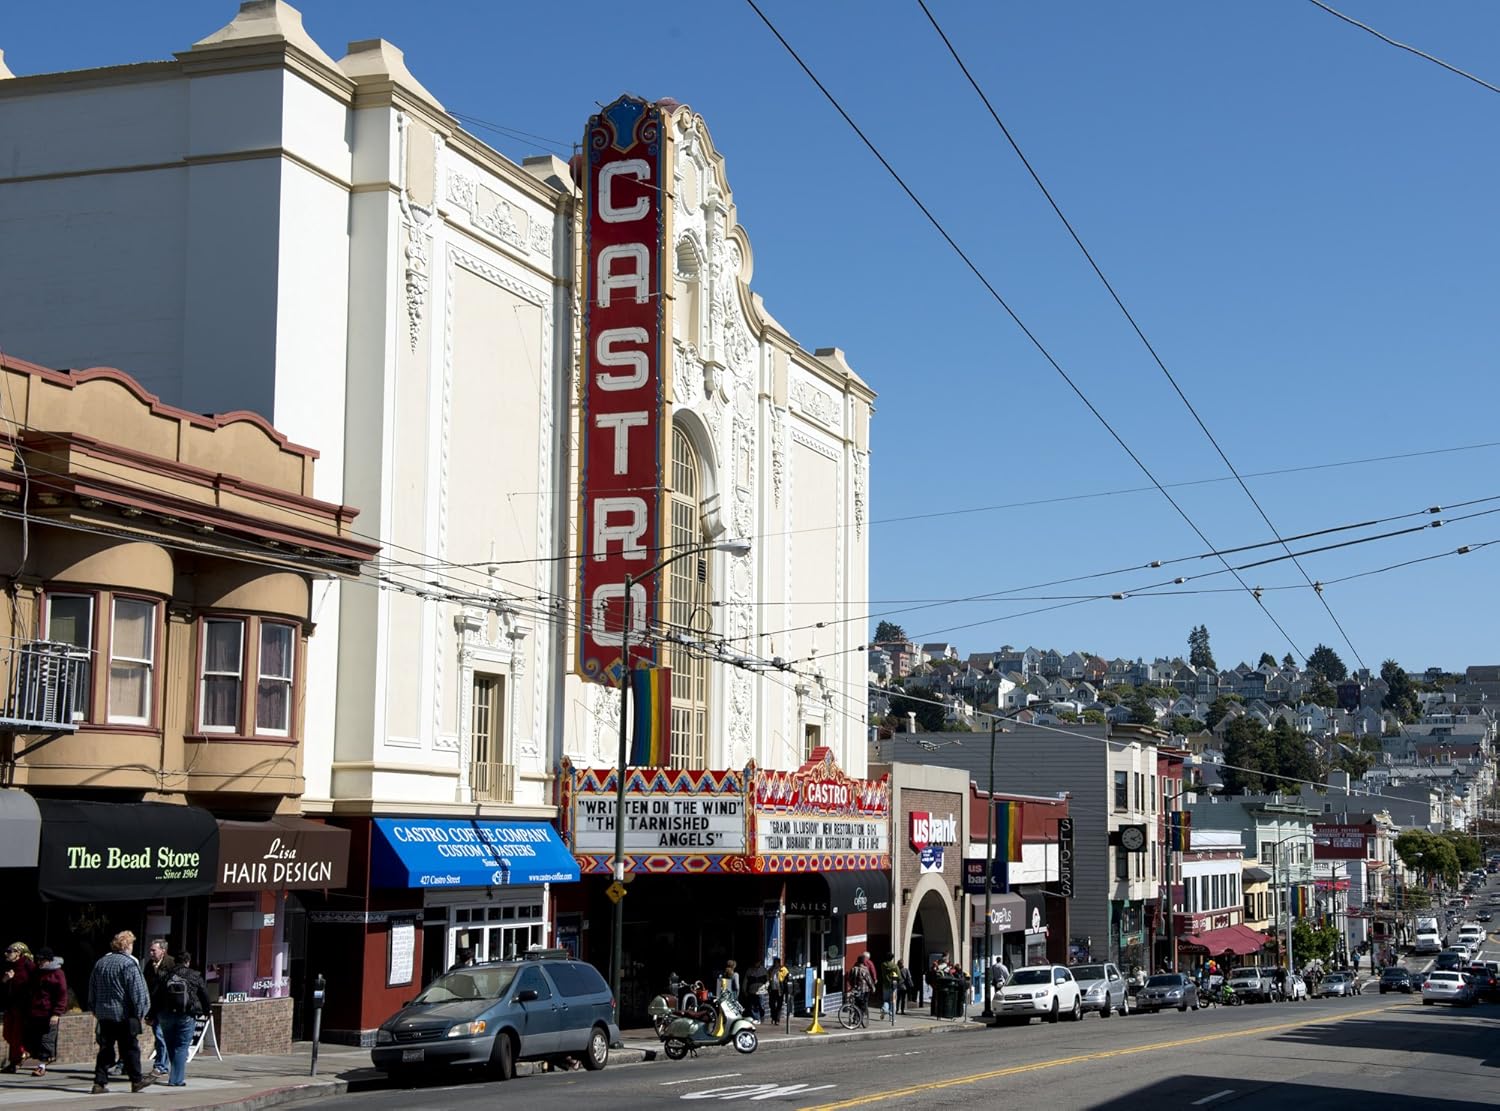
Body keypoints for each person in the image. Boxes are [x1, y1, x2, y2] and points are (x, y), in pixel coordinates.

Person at [88, 930, 154, 1095]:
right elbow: (138, 991)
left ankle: (99, 1083)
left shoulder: (101, 963)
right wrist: (141, 1012)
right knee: (130, 1048)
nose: (132, 947)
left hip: (104, 1014)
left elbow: (92, 989)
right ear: (126, 946)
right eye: (131, 944)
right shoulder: (128, 964)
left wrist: (95, 1009)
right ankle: (136, 1080)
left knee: (105, 1048)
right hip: (124, 1014)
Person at [153, 952, 210, 1088]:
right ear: (187, 961)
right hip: (186, 1015)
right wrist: (207, 1011)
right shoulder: (194, 975)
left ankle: (175, 1074)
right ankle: (176, 1079)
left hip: (165, 1015)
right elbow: (204, 994)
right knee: (182, 1046)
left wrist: (151, 1014)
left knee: (171, 1045)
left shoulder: (165, 975)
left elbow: (156, 996)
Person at [23, 948, 66, 1076]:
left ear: (49, 960)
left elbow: (62, 995)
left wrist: (57, 1013)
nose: (39, 962)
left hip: (49, 1013)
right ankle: (43, 1059)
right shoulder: (37, 972)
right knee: (34, 1039)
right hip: (35, 1012)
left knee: (46, 1039)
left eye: (42, 960)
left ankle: (41, 1066)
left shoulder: (58, 974)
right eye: (38, 960)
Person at [141, 938, 175, 1076]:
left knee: (161, 1036)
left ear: (163, 951)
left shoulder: (171, 964)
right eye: (150, 950)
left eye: (154, 950)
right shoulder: (150, 965)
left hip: (166, 1007)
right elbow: (145, 985)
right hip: (154, 1007)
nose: (151, 953)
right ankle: (162, 1064)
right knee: (159, 1036)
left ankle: (161, 1065)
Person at [2, 941, 35, 1073]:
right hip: (11, 1005)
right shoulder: (11, 966)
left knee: (17, 1034)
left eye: (10, 951)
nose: (7, 953)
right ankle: (21, 1054)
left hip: (23, 1006)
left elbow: (36, 983)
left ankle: (15, 1062)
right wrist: (5, 980)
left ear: (18, 953)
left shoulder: (28, 965)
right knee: (7, 1034)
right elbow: (5, 987)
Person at [847, 954, 876, 1023]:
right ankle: (861, 1017)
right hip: (864, 990)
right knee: (863, 1004)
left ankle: (855, 1018)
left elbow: (849, 979)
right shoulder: (864, 970)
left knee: (856, 1004)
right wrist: (873, 988)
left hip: (855, 989)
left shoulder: (853, 969)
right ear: (863, 962)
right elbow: (869, 980)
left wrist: (852, 986)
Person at [769, 958, 790, 1023]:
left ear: (779, 963)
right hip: (772, 989)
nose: (775, 964)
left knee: (779, 1005)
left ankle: (777, 1019)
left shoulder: (783, 969)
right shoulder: (771, 969)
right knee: (772, 1004)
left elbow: (787, 979)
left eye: (777, 962)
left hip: (780, 989)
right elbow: (768, 977)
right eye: (774, 962)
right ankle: (773, 1017)